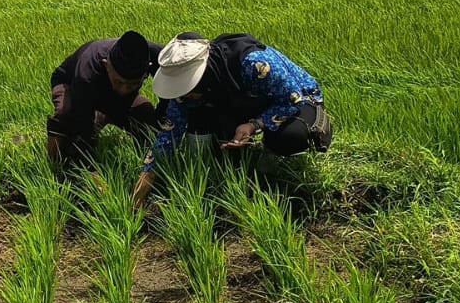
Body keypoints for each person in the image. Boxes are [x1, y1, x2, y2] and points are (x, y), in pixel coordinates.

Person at [133, 31, 332, 205]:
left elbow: (292, 99)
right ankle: (247, 161)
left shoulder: (254, 64)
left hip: (297, 99)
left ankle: (271, 163)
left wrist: (254, 125)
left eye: (187, 87)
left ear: (202, 74)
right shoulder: (189, 93)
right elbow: (169, 136)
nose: (182, 96)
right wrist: (144, 182)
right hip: (246, 105)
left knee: (289, 136)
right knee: (226, 150)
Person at [47, 30, 162, 169]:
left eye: (133, 84)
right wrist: (90, 171)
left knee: (147, 116)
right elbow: (82, 130)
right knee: (66, 115)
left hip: (113, 97)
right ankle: (54, 165)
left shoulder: (157, 55)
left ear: (147, 68)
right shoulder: (86, 73)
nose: (124, 89)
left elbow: (173, 92)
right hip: (70, 84)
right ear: (106, 64)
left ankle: (103, 116)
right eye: (119, 82)